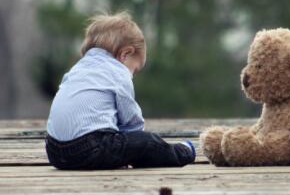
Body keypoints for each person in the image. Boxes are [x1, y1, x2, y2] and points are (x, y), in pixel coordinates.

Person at [45, 11, 195, 170]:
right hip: (89, 149)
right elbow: (131, 121)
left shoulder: (76, 69)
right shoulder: (118, 72)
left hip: (54, 151)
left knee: (122, 143)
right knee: (148, 142)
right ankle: (182, 152)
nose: (132, 75)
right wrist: (135, 143)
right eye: (135, 70)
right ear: (125, 54)